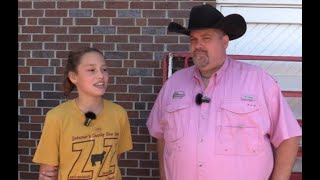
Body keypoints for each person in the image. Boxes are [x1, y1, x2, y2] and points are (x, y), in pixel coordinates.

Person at [146, 4, 302, 180]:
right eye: (193, 39)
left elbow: (289, 137)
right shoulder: (173, 84)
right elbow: (161, 136)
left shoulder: (258, 81)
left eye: (206, 38)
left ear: (225, 42)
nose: (198, 45)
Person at [33, 47, 133, 180]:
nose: (100, 75)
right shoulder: (57, 117)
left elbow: (113, 158)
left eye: (104, 69)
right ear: (74, 77)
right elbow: (47, 171)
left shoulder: (119, 114)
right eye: (91, 70)